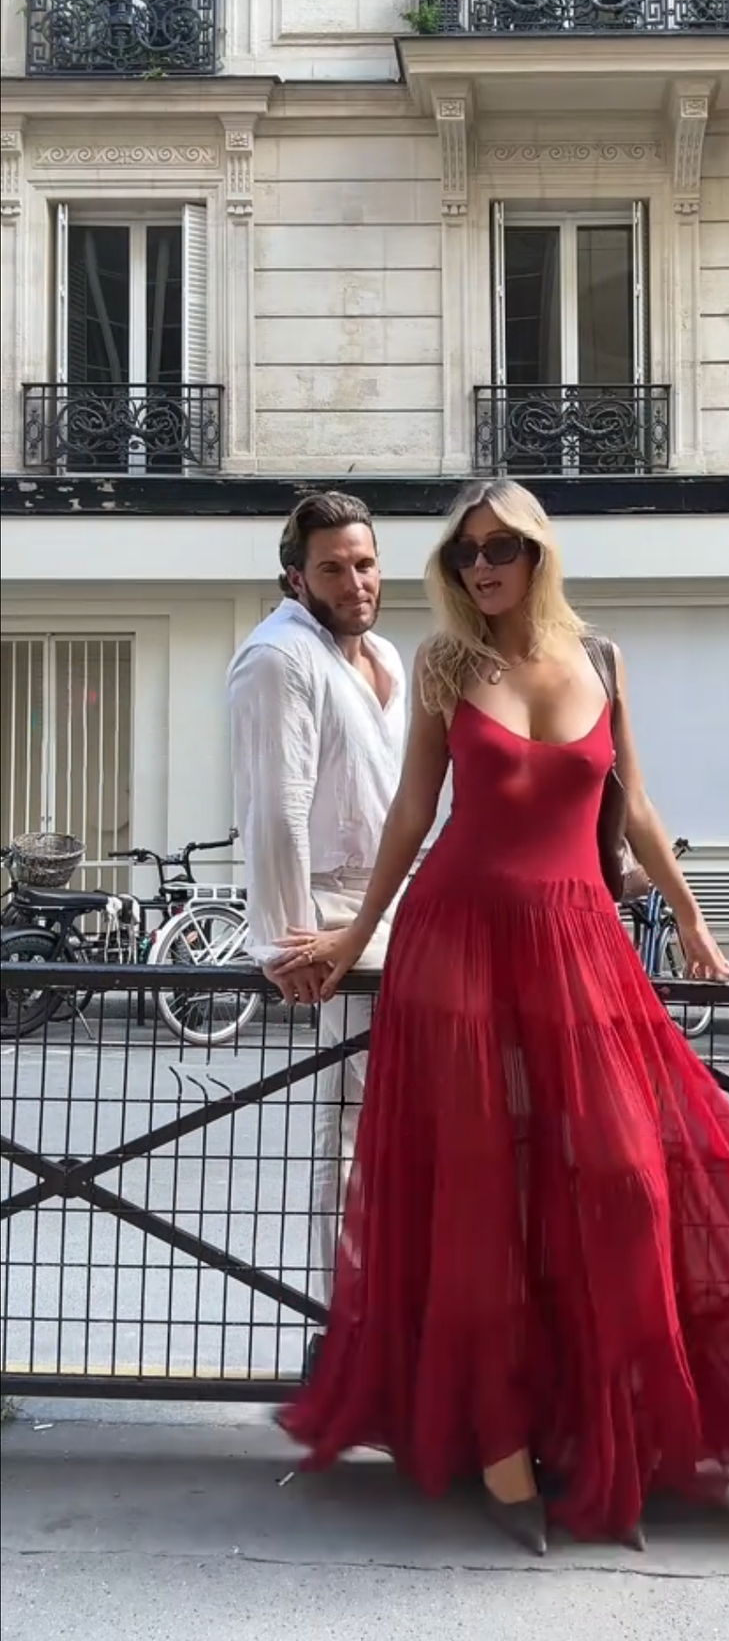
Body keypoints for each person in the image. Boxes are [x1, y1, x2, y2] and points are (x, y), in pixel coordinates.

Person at [272, 479, 729, 1555]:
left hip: (579, 941)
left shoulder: (602, 661)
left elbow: (639, 808)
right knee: (478, 1200)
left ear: (538, 554)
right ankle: (501, 1453)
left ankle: (607, 1431)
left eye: (502, 548)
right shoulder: (443, 665)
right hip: (456, 940)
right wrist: (350, 938)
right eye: (466, 551)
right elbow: (412, 816)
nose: (482, 566)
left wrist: (695, 923)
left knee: (622, 1179)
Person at [226, 491, 406, 1330]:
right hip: (330, 918)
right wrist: (284, 941)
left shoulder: (387, 657)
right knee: (346, 1131)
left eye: (364, 564)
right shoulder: (278, 656)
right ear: (296, 578)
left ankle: (396, 1314)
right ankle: (341, 1329)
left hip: (396, 913)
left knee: (403, 1129)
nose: (354, 582)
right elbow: (275, 803)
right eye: (332, 568)